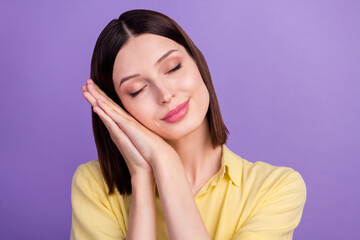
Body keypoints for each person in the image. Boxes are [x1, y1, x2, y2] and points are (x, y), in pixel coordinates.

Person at [70, 9, 306, 240]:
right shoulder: (95, 184)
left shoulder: (276, 188)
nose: (165, 94)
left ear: (197, 63)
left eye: (173, 67)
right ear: (118, 108)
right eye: (137, 90)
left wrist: (166, 161)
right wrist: (142, 177)